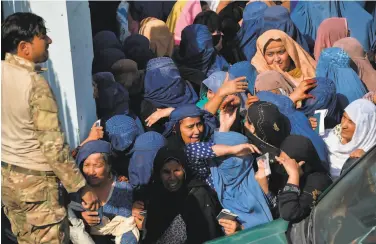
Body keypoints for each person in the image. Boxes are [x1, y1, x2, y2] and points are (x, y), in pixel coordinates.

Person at [1, 12, 99, 243]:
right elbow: (53, 147)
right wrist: (81, 188)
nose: (49, 41)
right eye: (43, 36)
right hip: (37, 187)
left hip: (9, 181)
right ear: (25, 47)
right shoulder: (35, 85)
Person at [135, 146, 224, 244]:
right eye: (166, 172)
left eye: (177, 170)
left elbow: (208, 235)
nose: (172, 177)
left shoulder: (199, 195)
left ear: (185, 171)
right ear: (159, 173)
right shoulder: (155, 193)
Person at [69, 140, 139, 244]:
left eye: (97, 165)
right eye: (86, 165)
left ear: (108, 166)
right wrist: (81, 219)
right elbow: (69, 218)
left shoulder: (122, 188)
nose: (91, 172)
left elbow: (125, 224)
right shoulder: (77, 190)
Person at [255, 135, 332, 222]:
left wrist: (294, 175)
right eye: (280, 156)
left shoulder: (319, 182)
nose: (280, 162)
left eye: (285, 161)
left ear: (301, 163)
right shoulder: (282, 170)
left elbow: (288, 213)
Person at [323, 99, 376, 179]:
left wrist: (366, 162)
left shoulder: (371, 154)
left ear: (365, 127)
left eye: (351, 122)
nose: (343, 125)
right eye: (344, 117)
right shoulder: (332, 136)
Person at [251, 29, 316, 87]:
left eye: (281, 52)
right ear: (262, 56)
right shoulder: (260, 77)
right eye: (270, 54)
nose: (277, 59)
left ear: (290, 51)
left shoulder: (304, 69)